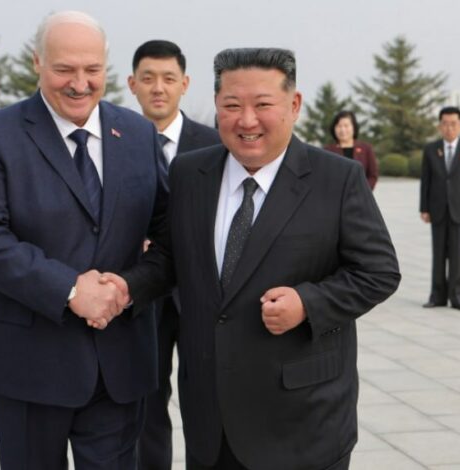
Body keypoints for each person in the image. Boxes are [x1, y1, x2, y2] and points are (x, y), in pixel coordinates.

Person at [108, 48, 401, 470]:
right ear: (216, 105)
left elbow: (378, 271)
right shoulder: (190, 173)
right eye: (232, 105)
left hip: (302, 420)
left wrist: (308, 303)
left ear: (294, 104)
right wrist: (126, 287)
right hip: (211, 418)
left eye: (263, 105)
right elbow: (172, 255)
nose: (247, 121)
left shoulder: (336, 178)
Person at [0, 11, 168, 470]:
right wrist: (71, 290)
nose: (80, 84)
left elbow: (171, 237)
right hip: (27, 365)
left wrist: (127, 287)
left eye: (92, 69)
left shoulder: (137, 135)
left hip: (119, 362)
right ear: (37, 62)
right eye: (64, 69)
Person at [127, 39, 220, 470]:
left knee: (208, 399)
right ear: (132, 84)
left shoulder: (215, 144)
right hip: (142, 294)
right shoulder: (117, 141)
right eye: (148, 79)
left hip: (203, 294)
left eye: (168, 78)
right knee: (147, 401)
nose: (158, 88)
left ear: (185, 84)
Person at [420, 106, 460, 311]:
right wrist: (424, 208)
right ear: (439, 126)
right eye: (445, 124)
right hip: (437, 209)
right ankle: (437, 296)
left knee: (458, 255)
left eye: (453, 124)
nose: (449, 128)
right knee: (438, 254)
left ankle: (458, 297)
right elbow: (425, 181)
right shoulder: (431, 149)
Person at [324, 110, 378, 189]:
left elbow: (373, 175)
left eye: (346, 126)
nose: (342, 130)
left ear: (354, 127)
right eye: (339, 126)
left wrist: (364, 190)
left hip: (361, 194)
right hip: (334, 194)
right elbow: (323, 176)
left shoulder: (366, 148)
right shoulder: (327, 151)